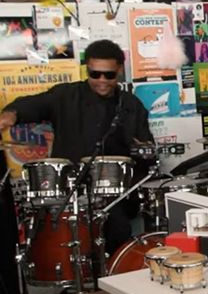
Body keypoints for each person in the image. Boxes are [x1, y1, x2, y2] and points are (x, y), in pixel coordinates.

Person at [0, 39, 153, 256]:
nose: (101, 81)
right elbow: (33, 104)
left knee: (118, 240)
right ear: (87, 69)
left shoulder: (131, 105)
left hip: (113, 198)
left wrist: (145, 150)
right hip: (69, 193)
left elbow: (145, 150)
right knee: (67, 250)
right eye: (94, 74)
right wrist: (12, 114)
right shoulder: (65, 96)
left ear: (119, 70)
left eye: (108, 75)